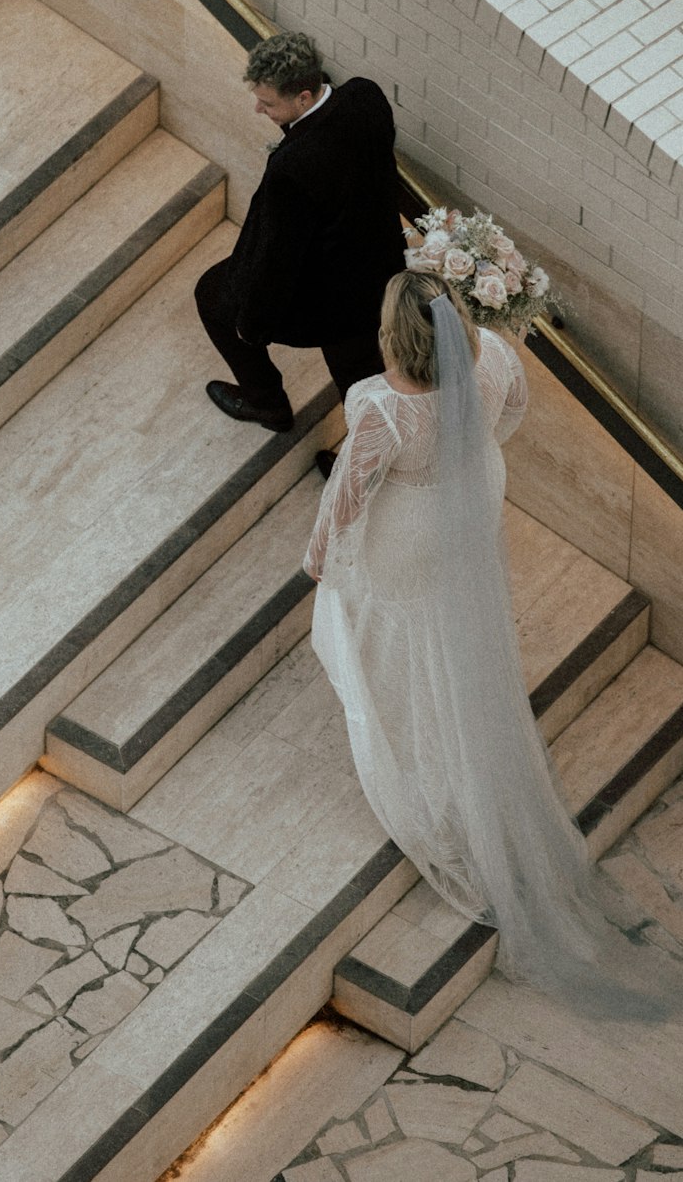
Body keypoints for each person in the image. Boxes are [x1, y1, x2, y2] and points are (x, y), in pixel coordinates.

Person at [306, 269, 679, 1017]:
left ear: (394, 338)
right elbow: (509, 415)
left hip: (411, 540)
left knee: (399, 647)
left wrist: (319, 563)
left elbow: (346, 498)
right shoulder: (500, 359)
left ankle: (435, 782)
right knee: (450, 636)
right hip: (470, 503)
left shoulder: (382, 409)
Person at [195, 32, 405, 435]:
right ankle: (375, 457)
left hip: (331, 299)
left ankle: (267, 404)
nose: (259, 109)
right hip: (382, 267)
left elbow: (278, 257)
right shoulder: (365, 96)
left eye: (268, 102)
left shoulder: (292, 167)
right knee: (359, 380)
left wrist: (252, 325)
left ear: (304, 97)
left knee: (212, 295)